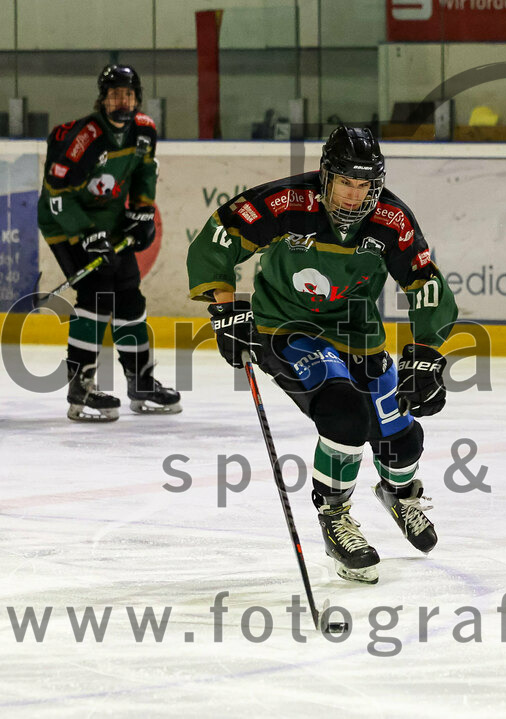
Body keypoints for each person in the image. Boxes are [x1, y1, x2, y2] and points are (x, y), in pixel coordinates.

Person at [186, 126, 458, 584]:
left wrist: (426, 354)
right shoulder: (288, 202)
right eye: (346, 183)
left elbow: (423, 279)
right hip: (288, 329)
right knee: (344, 415)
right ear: (325, 177)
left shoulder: (391, 219)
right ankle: (335, 519)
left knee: (401, 434)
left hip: (358, 333)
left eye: (365, 185)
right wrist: (225, 309)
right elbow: (220, 235)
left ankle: (400, 493)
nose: (355, 196)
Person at [38, 63, 180, 421]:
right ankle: (80, 389)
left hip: (111, 222)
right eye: (114, 94)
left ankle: (141, 383)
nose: (122, 100)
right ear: (102, 99)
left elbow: (146, 169)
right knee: (97, 292)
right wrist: (87, 233)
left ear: (137, 98)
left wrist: (143, 210)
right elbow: (57, 196)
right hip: (66, 222)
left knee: (129, 292)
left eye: (128, 94)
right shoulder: (82, 138)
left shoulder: (144, 131)